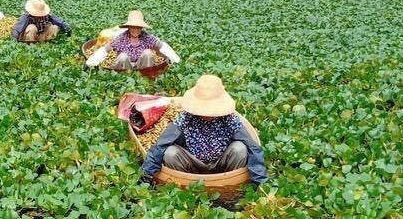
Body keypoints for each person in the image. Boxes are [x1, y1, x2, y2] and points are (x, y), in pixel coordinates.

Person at [140, 75, 268, 185]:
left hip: (222, 163)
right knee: (170, 153)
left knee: (240, 148)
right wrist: (146, 177)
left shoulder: (229, 118)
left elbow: (252, 147)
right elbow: (161, 144)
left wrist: (259, 181)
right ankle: (186, 183)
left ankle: (227, 181)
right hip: (192, 164)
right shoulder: (186, 118)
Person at [85, 10, 180, 71]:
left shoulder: (147, 37)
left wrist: (175, 60)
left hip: (142, 66)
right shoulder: (121, 38)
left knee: (148, 53)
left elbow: (162, 46)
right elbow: (105, 50)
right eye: (133, 27)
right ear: (129, 27)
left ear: (142, 28)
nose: (135, 30)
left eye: (138, 27)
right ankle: (123, 78)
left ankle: (146, 76)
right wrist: (89, 63)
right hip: (124, 67)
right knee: (123, 56)